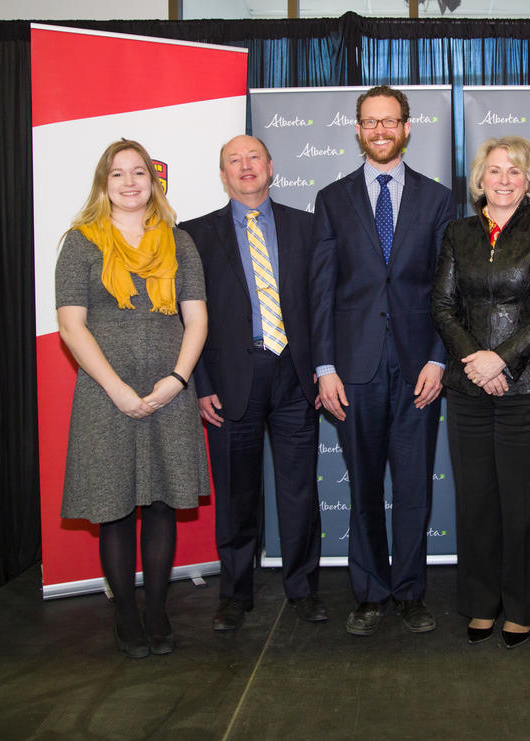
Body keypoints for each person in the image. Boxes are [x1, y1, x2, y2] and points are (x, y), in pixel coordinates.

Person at [55, 139, 210, 658]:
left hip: (169, 389)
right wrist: (118, 389)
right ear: (104, 183)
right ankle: (125, 611)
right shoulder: (81, 243)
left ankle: (157, 609)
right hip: (105, 392)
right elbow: (71, 327)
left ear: (152, 180)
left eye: (138, 173)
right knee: (115, 506)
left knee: (163, 501)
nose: (128, 182)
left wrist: (178, 380)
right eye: (117, 174)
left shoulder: (179, 242)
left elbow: (197, 318)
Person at [310, 85, 452, 636]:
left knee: (414, 486)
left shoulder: (438, 199)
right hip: (354, 370)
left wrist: (439, 360)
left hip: (420, 368)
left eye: (390, 121)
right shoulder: (332, 198)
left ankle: (412, 593)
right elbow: (321, 293)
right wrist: (324, 367)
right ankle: (369, 593)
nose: (380, 131)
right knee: (363, 485)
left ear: (407, 128)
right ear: (357, 129)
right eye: (371, 122)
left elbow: (448, 290)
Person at [431, 136, 530, 649]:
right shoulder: (458, 233)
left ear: (529, 180)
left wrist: (502, 359)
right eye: (495, 171)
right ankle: (481, 601)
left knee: (524, 503)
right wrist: (477, 361)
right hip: (470, 389)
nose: (505, 180)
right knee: (476, 501)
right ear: (480, 180)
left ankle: (523, 606)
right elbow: (443, 306)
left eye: (515, 171)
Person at [180, 135, 326, 631]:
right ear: (223, 175)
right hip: (229, 382)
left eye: (254, 158)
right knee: (237, 494)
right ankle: (235, 594)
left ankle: (303, 588)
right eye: (233, 161)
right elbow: (187, 318)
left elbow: (324, 308)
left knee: (299, 491)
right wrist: (200, 383)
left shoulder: (307, 228)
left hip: (295, 378)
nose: (245, 167)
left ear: (271, 167)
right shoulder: (194, 235)